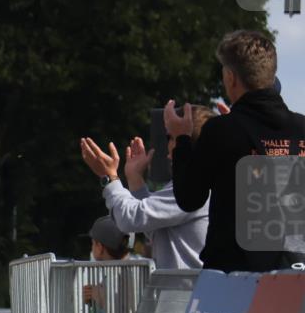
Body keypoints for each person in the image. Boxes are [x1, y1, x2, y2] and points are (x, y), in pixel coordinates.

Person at [167, 30, 305, 272]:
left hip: (234, 279)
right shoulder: (301, 128)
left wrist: (182, 140)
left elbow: (189, 199)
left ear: (231, 77)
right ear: (272, 76)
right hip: (296, 273)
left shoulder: (221, 131)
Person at [80, 108, 214, 270]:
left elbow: (129, 219)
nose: (169, 147)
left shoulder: (194, 185)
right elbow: (152, 225)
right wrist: (135, 177)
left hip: (187, 294)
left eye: (171, 137)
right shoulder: (205, 181)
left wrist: (109, 178)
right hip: (189, 292)